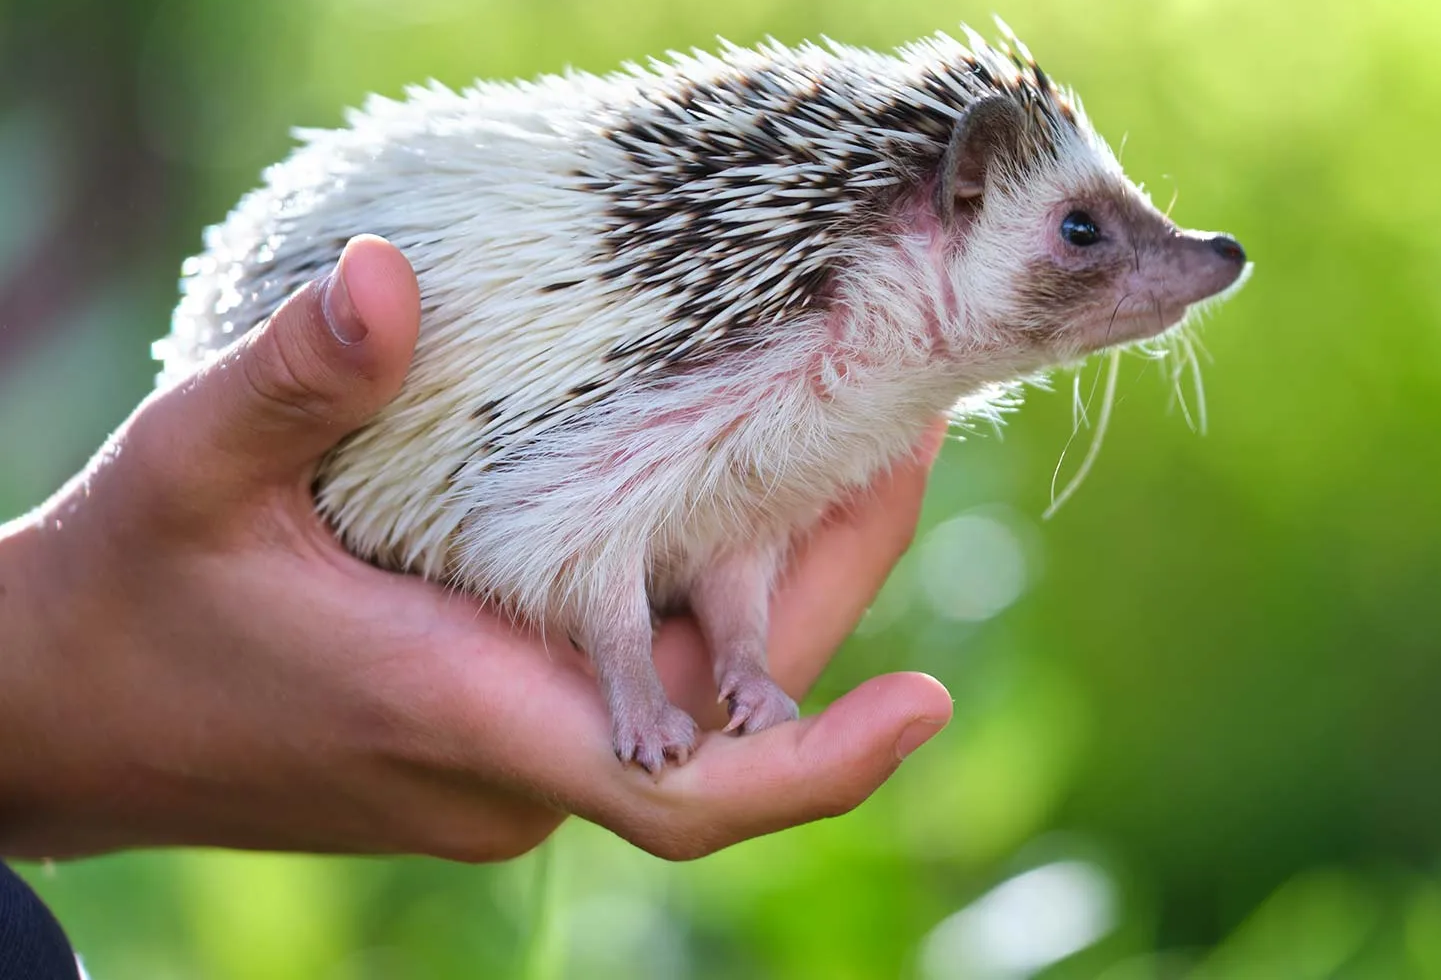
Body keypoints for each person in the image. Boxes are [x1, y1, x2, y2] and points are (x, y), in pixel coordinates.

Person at [0, 237, 951, 975]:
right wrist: (631, 684)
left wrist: (740, 659)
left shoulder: (840, 404)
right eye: (1078, 236)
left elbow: (731, 539)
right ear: (943, 214)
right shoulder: (758, 350)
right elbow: (583, 525)